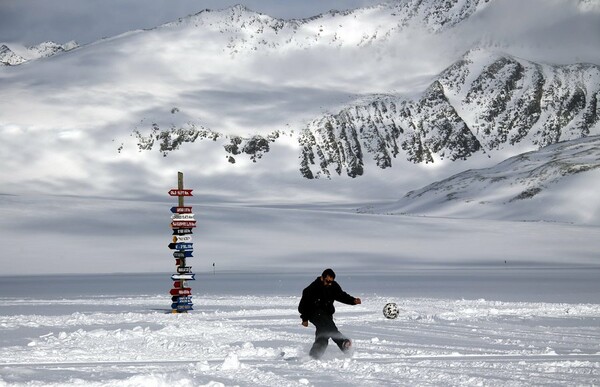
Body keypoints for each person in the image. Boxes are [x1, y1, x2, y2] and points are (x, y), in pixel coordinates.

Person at [298, 268, 362, 359]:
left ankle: (314, 355)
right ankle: (343, 342)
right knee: (329, 327)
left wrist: (353, 300)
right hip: (314, 314)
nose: (329, 283)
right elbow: (302, 307)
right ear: (322, 278)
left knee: (323, 335)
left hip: (327, 314)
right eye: (327, 281)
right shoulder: (311, 289)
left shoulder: (333, 286)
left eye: (331, 281)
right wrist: (304, 319)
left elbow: (341, 295)